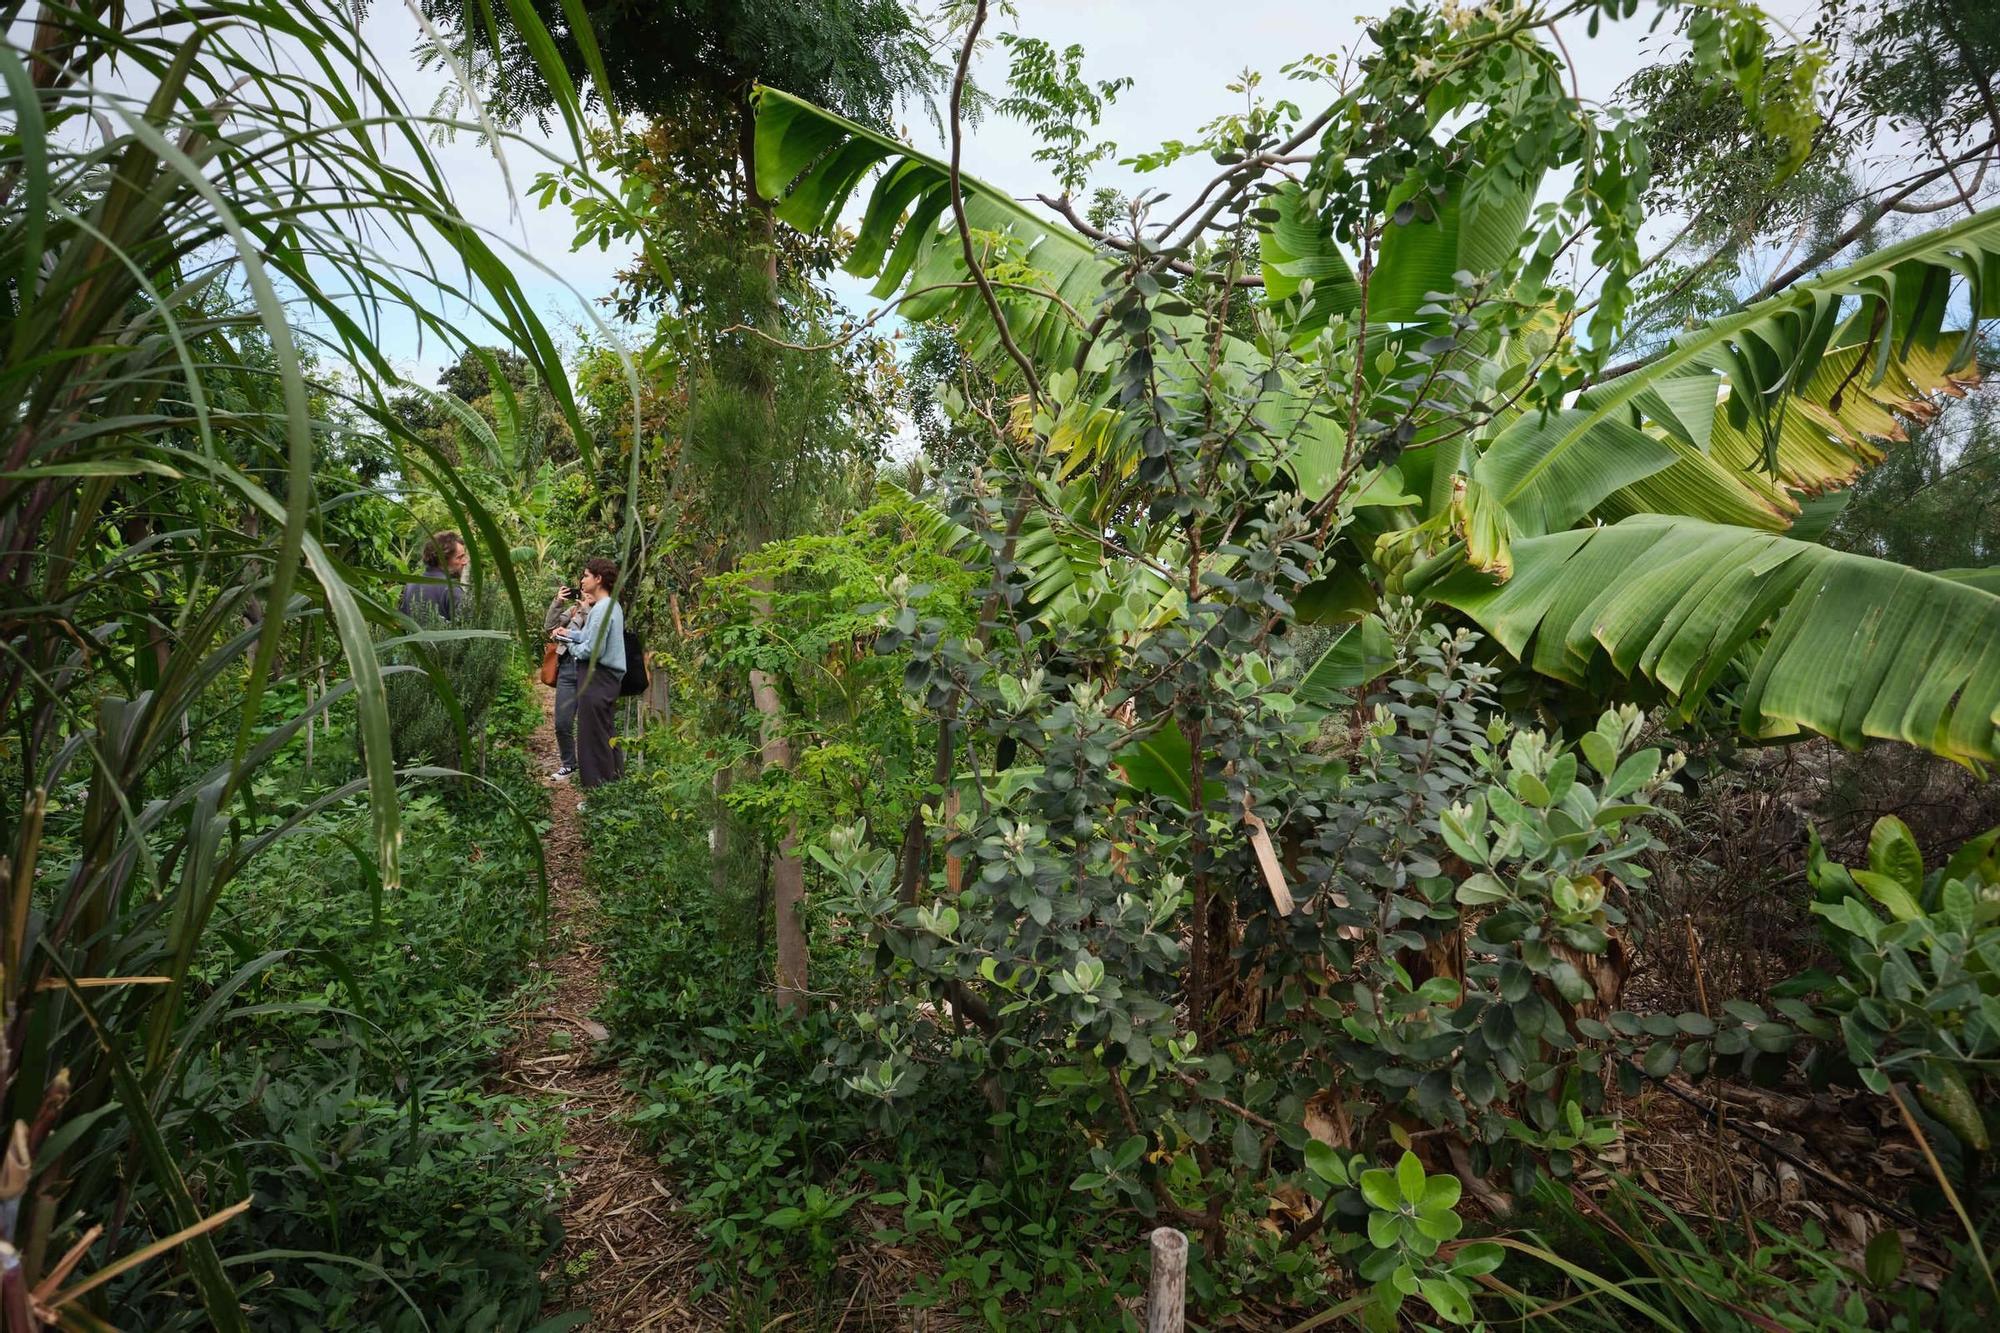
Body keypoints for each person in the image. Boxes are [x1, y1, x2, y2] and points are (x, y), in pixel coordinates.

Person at [551, 556, 625, 790]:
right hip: (606, 677)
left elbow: (593, 650)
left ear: (599, 578)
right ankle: (614, 784)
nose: (582, 581)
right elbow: (590, 637)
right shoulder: (609, 606)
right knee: (604, 732)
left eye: (585, 576)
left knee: (592, 737)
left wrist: (569, 645)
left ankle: (597, 791)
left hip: (598, 676)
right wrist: (571, 634)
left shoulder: (602, 608)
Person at [542, 578, 587, 780]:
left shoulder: (603, 609)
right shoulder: (574, 610)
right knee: (562, 722)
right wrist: (558, 602)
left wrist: (585, 610)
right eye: (581, 586)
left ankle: (590, 768)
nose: (583, 589)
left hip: (590, 669)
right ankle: (569, 764)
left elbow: (586, 635)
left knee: (589, 724)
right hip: (568, 667)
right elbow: (549, 625)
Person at [399, 530, 469, 621]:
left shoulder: (411, 585)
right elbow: (467, 628)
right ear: (442, 559)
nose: (465, 562)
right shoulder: (451, 589)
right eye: (460, 557)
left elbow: (402, 624)